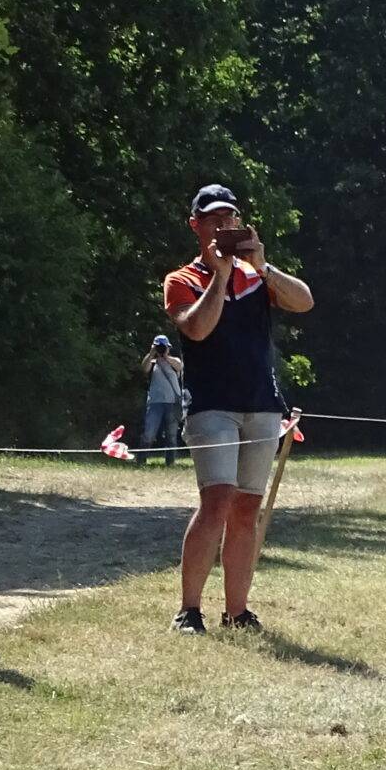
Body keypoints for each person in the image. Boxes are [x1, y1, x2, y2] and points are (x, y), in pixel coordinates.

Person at [164, 184, 314, 633]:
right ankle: (189, 610)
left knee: (247, 507)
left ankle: (237, 612)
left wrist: (261, 265)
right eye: (214, 219)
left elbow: (304, 301)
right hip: (211, 405)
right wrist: (220, 275)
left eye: (230, 218)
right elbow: (197, 329)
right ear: (196, 225)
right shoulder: (182, 279)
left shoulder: (257, 277)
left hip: (261, 404)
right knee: (216, 499)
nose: (223, 226)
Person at [135, 336, 186, 465]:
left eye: (164, 347)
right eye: (159, 347)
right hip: (154, 403)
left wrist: (166, 357)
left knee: (171, 435)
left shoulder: (174, 361)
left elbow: (179, 366)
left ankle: (170, 463)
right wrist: (152, 353)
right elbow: (144, 368)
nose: (161, 349)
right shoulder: (152, 362)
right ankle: (141, 461)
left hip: (172, 403)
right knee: (149, 433)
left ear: (169, 348)